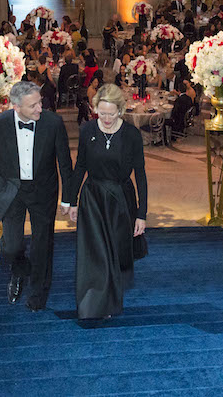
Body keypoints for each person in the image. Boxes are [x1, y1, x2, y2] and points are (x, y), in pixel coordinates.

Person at [0, 80, 73, 311]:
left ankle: (39, 293)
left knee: (42, 245)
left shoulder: (54, 123)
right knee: (11, 245)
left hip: (43, 190)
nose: (40, 108)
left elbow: (65, 164)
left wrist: (68, 198)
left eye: (40, 103)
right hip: (11, 189)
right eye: (33, 106)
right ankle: (19, 269)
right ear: (16, 107)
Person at [66, 84, 148, 320]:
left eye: (112, 113)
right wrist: (71, 200)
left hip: (121, 200)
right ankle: (93, 304)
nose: (107, 118)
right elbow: (80, 165)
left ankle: (110, 296)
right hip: (92, 199)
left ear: (120, 110)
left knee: (115, 252)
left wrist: (141, 213)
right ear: (95, 109)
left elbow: (140, 174)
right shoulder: (87, 130)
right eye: (102, 113)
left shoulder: (131, 135)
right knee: (96, 254)